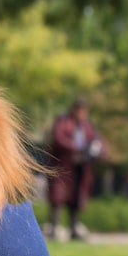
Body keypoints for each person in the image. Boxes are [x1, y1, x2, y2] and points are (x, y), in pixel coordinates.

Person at [47, 98, 105, 241]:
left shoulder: (87, 126)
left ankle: (74, 228)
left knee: (76, 200)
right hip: (63, 167)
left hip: (80, 168)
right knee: (58, 197)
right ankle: (54, 227)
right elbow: (59, 138)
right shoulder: (63, 122)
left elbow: (96, 140)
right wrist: (77, 147)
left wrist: (97, 150)